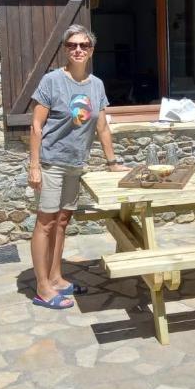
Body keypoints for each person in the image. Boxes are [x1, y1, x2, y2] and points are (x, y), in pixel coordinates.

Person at [28, 24, 125, 309]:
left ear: (91, 50)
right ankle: (42, 287)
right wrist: (34, 166)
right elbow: (36, 124)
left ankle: (56, 277)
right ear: (66, 50)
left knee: (62, 221)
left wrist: (113, 163)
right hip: (50, 162)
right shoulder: (52, 81)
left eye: (84, 45)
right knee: (45, 223)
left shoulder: (97, 85)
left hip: (75, 164)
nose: (78, 50)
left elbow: (102, 127)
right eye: (72, 46)